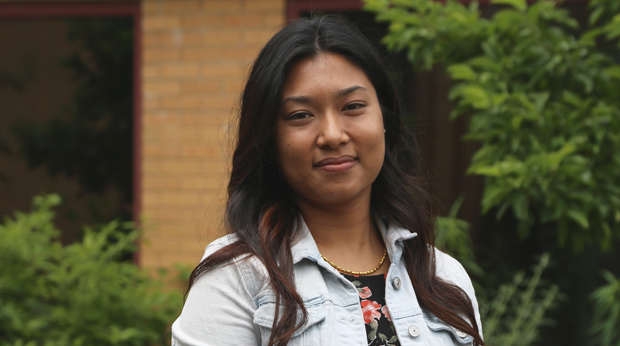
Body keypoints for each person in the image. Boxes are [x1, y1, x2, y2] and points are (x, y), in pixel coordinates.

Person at [172, 15, 484, 346]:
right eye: (301, 115)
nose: (333, 136)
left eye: (353, 106)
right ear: (269, 139)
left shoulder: (442, 278)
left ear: (384, 120)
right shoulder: (236, 280)